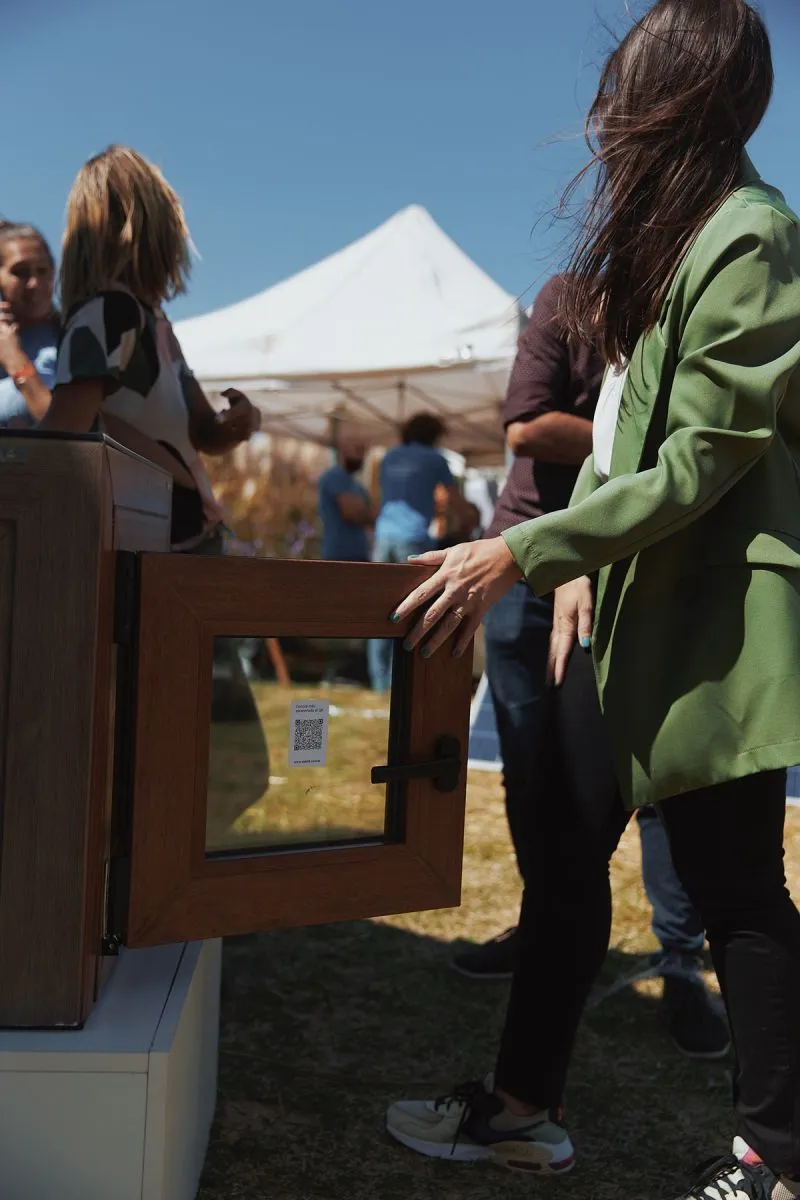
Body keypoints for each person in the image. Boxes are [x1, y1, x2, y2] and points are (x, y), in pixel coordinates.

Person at [386, 2, 800, 1196]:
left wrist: (526, 552)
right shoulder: (674, 239)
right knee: (564, 858)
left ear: (680, 96)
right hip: (612, 608)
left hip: (710, 625)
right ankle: (521, 1109)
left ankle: (774, 1162)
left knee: (734, 890)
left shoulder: (751, 235)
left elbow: (701, 458)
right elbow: (628, 442)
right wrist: (573, 572)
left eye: (621, 94)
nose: (602, 123)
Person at [455, 274, 729, 1060]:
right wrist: (638, 444)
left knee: (656, 784)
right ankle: (546, 929)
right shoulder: (570, 298)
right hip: (527, 564)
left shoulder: (688, 304)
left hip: (632, 566)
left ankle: (679, 963)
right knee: (533, 776)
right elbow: (527, 427)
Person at [39, 145, 261, 552]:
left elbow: (203, 431)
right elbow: (60, 443)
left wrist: (236, 424)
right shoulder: (110, 314)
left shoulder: (150, 321)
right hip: (147, 548)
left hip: (172, 541)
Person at [369, 413, 471, 690]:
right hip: (413, 539)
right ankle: (405, 678)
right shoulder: (435, 459)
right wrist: (470, 521)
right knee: (415, 609)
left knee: (377, 608)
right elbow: (455, 502)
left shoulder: (389, 456)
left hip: (383, 536)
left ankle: (379, 681)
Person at [0, 223, 59, 428]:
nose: (34, 282)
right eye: (21, 272)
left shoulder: (70, 342)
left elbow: (63, 428)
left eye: (43, 271)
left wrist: (15, 360)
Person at [318, 436, 374, 562]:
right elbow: (351, 512)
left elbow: (370, 515)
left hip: (359, 553)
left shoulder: (356, 485)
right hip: (339, 555)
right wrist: (365, 512)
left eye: (363, 451)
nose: (361, 456)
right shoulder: (334, 477)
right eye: (357, 450)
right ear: (343, 451)